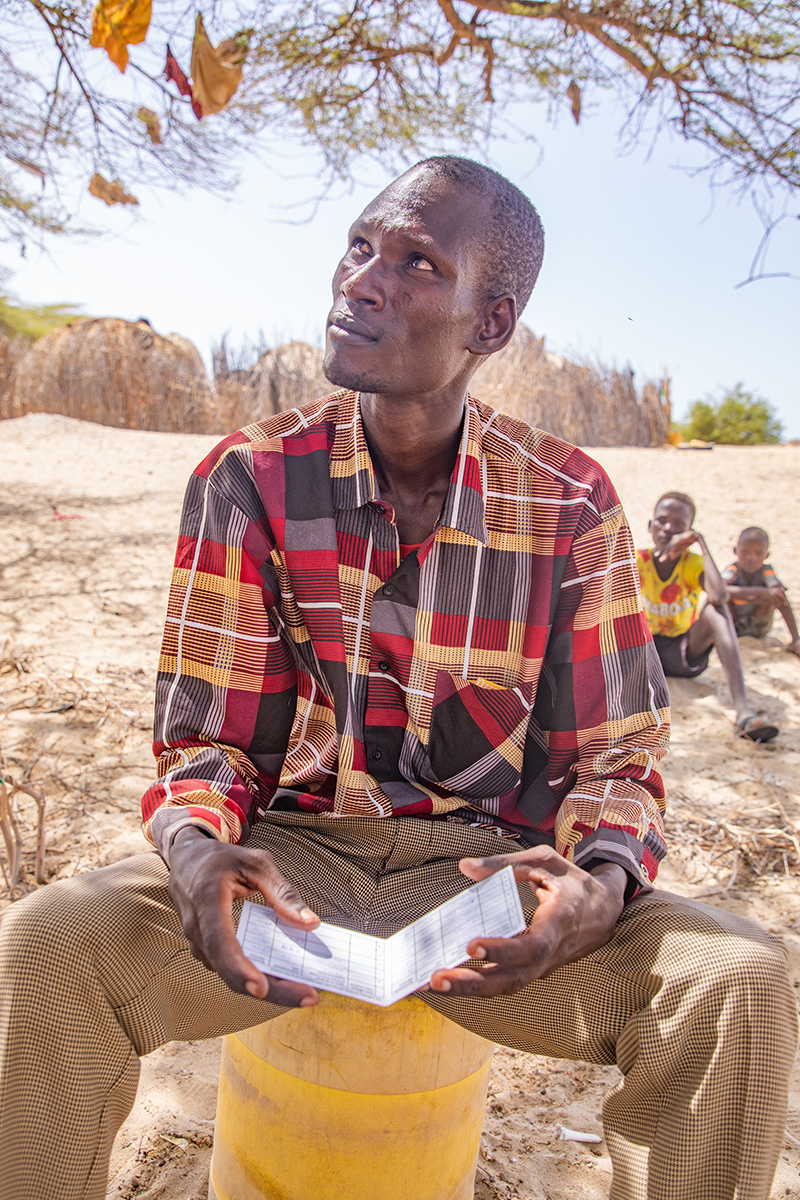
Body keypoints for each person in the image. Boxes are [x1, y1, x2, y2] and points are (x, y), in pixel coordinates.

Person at [0, 158, 795, 1200]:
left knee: (737, 983)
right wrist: (194, 848)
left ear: (490, 322)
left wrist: (597, 887)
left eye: (416, 261)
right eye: (360, 246)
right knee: (53, 944)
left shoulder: (566, 499)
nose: (361, 280)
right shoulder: (248, 477)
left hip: (484, 886)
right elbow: (211, 743)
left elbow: (614, 757)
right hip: (288, 868)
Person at [637, 491, 780, 743]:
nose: (669, 528)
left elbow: (719, 596)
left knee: (717, 610)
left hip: (684, 653)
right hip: (645, 654)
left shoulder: (691, 563)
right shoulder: (638, 560)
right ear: (650, 526)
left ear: (689, 531)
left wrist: (701, 544)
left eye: (679, 524)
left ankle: (743, 712)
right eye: (662, 520)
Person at [723, 525, 800, 656]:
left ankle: (796, 640)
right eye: (746, 552)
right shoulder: (732, 570)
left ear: (766, 555)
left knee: (777, 596)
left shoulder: (766, 572)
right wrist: (762, 593)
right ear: (735, 551)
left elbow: (776, 590)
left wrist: (767, 594)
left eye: (758, 553)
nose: (751, 558)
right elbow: (720, 589)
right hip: (733, 627)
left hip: (758, 628)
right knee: (722, 597)